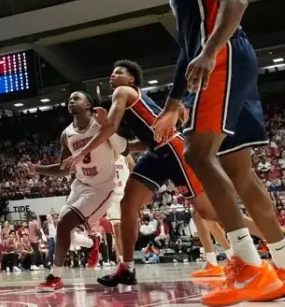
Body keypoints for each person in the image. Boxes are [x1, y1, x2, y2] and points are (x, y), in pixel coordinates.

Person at [146, 0, 285, 305]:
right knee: (240, 170)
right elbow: (186, 50)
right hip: (228, 57)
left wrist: (209, 53)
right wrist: (172, 104)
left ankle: (248, 266)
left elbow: (235, 0)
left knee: (198, 154)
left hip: (224, 58)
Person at [92, 61, 261, 288]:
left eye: (118, 73)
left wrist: (92, 140)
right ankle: (127, 268)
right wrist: (113, 133)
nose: (112, 76)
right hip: (156, 152)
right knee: (128, 204)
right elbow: (133, 145)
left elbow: (112, 126)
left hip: (173, 150)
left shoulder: (122, 93)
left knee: (210, 213)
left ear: (131, 80)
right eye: (111, 73)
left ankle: (271, 236)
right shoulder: (135, 103)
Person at [27, 91, 124, 292]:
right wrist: (37, 169)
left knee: (63, 224)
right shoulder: (67, 134)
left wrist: (108, 124)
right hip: (80, 185)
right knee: (62, 230)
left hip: (102, 187)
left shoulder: (101, 124)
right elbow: (64, 169)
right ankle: (91, 243)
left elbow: (122, 146)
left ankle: (55, 277)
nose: (72, 101)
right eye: (69, 99)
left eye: (77, 98)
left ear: (89, 104)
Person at [105, 153, 134, 265]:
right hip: (112, 196)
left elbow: (134, 168)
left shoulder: (126, 156)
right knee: (117, 229)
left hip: (125, 194)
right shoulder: (104, 156)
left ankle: (129, 256)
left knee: (129, 229)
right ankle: (122, 260)